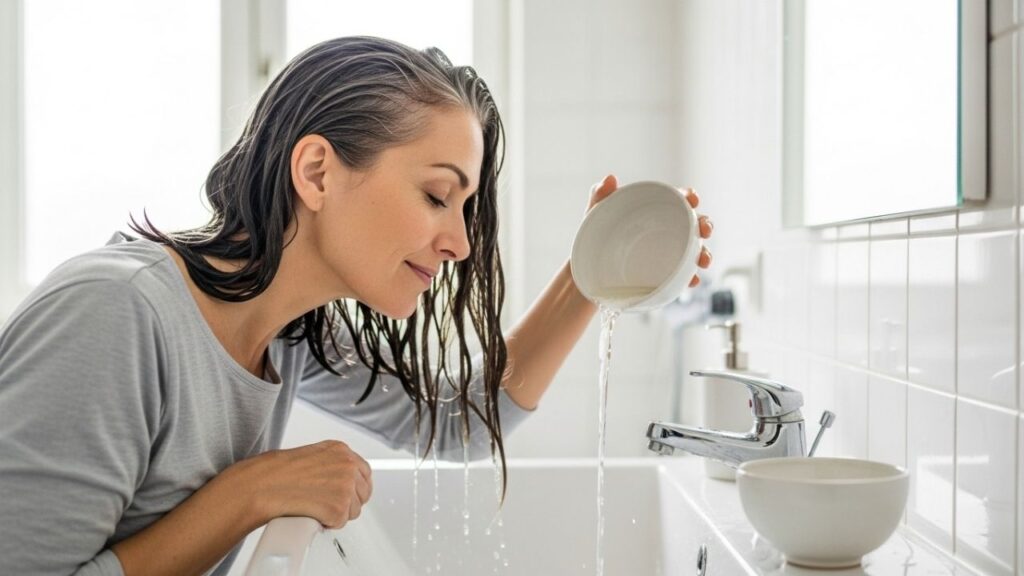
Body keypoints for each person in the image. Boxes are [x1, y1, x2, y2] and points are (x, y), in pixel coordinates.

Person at [0, 36, 712, 575]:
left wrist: (591, 274)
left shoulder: (284, 333)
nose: (460, 243)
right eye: (437, 196)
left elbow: (456, 425)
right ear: (316, 171)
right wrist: (246, 495)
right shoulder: (115, 315)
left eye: (464, 209)